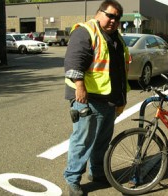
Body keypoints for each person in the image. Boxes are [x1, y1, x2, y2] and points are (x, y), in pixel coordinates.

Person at [63, 0, 130, 195]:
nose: (113, 21)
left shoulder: (116, 37)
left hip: (109, 100)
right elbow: (74, 62)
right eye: (110, 15)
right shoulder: (85, 32)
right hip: (87, 98)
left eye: (117, 18)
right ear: (99, 12)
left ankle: (97, 173)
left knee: (102, 141)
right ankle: (72, 179)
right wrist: (80, 88)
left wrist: (121, 98)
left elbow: (118, 69)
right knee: (82, 141)